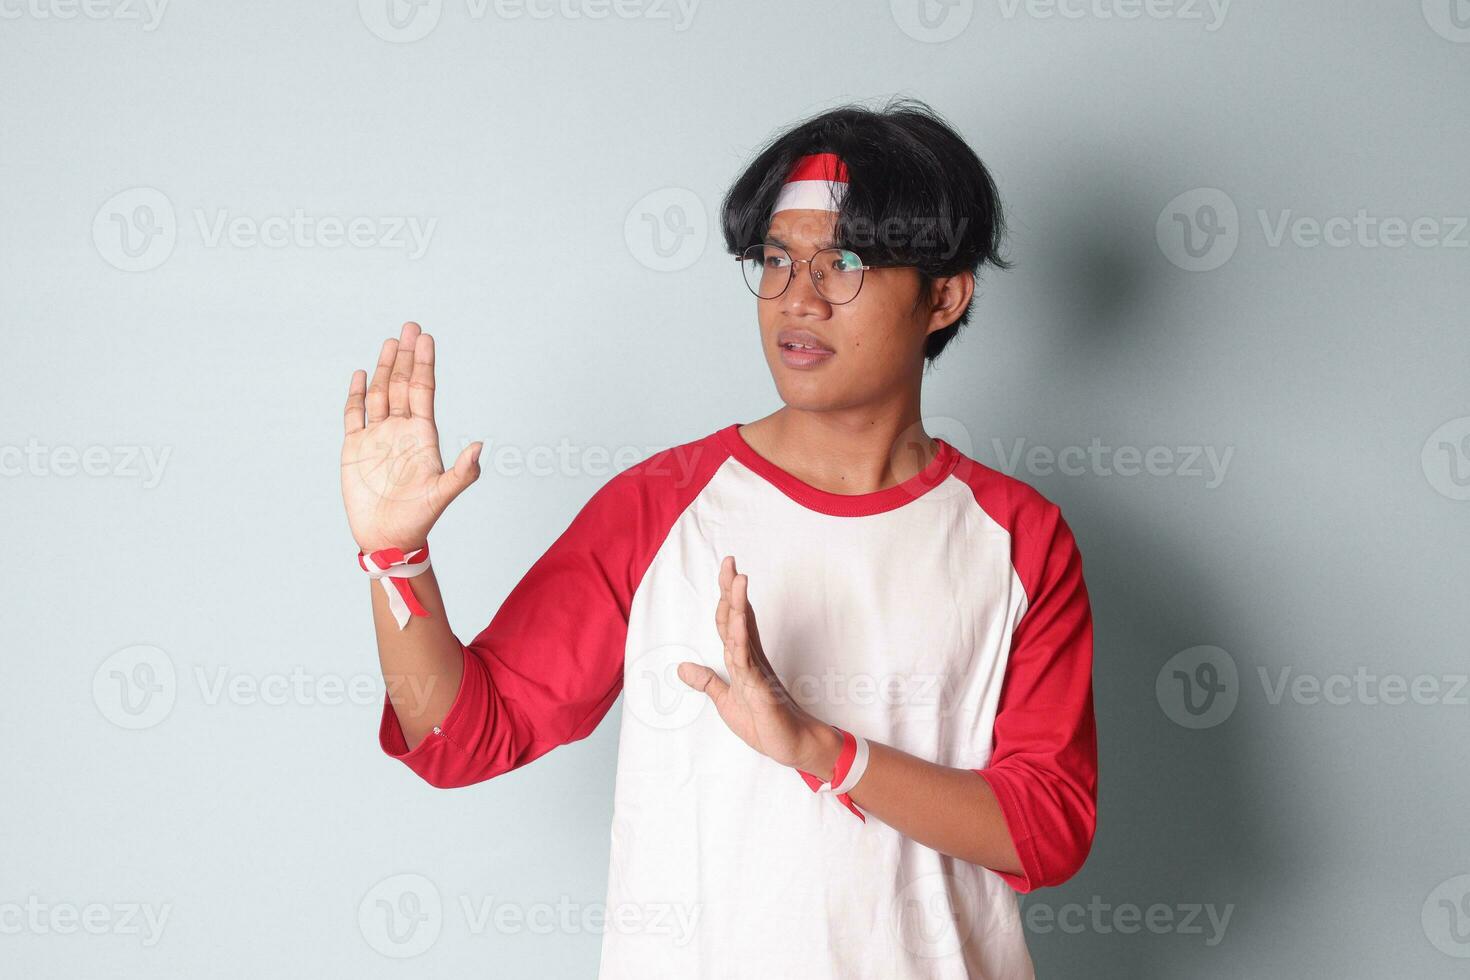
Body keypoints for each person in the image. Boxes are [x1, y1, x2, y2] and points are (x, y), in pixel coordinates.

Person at [339, 98, 1097, 979]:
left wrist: (824, 752)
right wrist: (396, 558)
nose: (797, 298)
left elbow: (1048, 829)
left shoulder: (1018, 537)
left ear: (944, 295)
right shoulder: (660, 505)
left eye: (844, 261)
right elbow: (463, 735)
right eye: (776, 260)